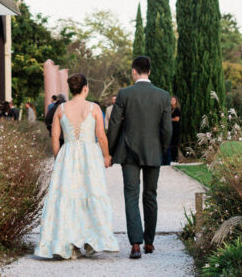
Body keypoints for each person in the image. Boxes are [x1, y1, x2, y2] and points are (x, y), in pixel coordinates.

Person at [34, 73, 119, 259]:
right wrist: (106, 156)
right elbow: (101, 136)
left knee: (67, 197)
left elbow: (55, 138)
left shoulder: (60, 109)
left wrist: (59, 159)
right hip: (90, 155)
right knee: (90, 193)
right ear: (86, 88)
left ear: (71, 90)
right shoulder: (94, 108)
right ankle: (92, 240)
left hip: (68, 154)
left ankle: (69, 243)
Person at [106, 56, 172, 259]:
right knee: (151, 196)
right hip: (154, 151)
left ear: (134, 71)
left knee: (131, 196)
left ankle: (135, 244)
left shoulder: (124, 94)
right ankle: (149, 242)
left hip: (128, 152)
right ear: (149, 72)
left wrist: (108, 150)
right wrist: (161, 148)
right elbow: (167, 129)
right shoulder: (163, 96)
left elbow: (115, 124)